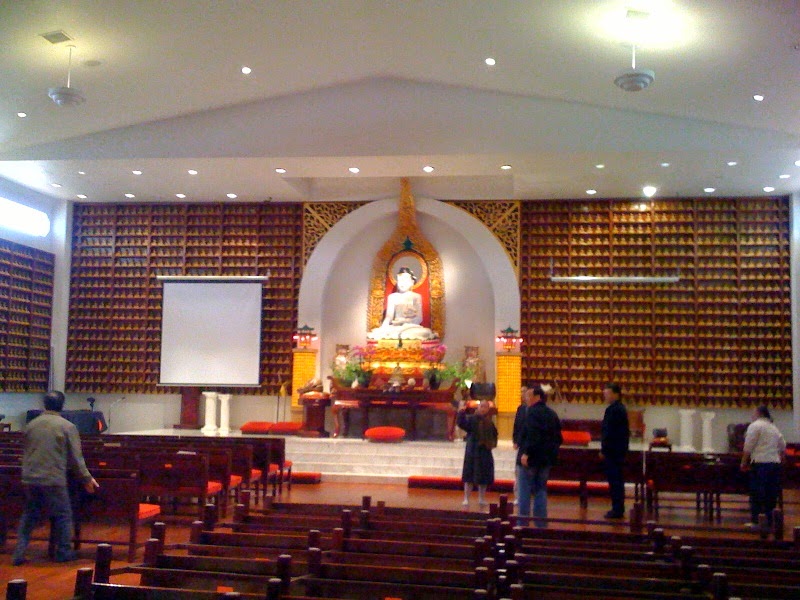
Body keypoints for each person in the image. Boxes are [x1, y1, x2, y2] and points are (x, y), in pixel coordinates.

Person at [12, 391, 99, 565]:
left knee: (29, 515)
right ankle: (63, 552)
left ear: (45, 404)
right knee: (63, 515)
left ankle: (19, 552)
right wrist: (86, 479)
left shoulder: (31, 425)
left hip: (29, 476)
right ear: (62, 405)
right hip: (52, 478)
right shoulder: (67, 427)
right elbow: (76, 458)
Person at [518, 386, 562, 527]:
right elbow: (559, 438)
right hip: (546, 460)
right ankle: (541, 524)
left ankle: (522, 524)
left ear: (537, 397)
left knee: (524, 491)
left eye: (529, 395)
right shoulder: (552, 413)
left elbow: (532, 435)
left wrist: (526, 453)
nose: (526, 398)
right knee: (541, 490)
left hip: (531, 459)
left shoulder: (532, 412)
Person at [740, 405, 786, 527]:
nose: (752, 415)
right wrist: (782, 460)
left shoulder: (755, 426)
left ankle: (756, 520)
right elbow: (782, 445)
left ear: (759, 413)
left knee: (757, 493)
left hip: (760, 464)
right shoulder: (773, 427)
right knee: (771, 494)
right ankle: (770, 520)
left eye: (753, 412)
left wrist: (743, 462)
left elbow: (748, 447)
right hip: (774, 464)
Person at [367, 267, 437, 340]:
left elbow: (419, 318)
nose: (402, 283)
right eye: (400, 281)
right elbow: (389, 317)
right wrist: (384, 326)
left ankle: (399, 335)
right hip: (395, 326)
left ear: (412, 282)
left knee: (425, 332)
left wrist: (405, 321)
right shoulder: (392, 297)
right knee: (378, 332)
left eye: (405, 281)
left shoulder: (416, 297)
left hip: (410, 327)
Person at [457, 399, 497, 507]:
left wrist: (490, 444)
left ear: (488, 409)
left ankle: (481, 498)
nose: (483, 409)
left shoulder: (489, 422)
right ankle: (466, 498)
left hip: (484, 451)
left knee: (483, 476)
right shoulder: (472, 419)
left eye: (485, 407)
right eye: (481, 406)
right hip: (473, 450)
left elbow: (494, 435)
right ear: (478, 408)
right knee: (469, 475)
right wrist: (461, 411)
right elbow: (461, 423)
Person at [600, 383, 629, 519]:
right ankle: (617, 507)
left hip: (613, 452)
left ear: (616, 394)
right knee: (616, 480)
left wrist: (604, 449)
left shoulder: (614, 410)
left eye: (608, 393)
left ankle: (617, 509)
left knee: (615, 481)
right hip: (618, 450)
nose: (606, 396)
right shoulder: (618, 409)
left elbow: (609, 432)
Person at [511, 385, 532, 505]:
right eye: (521, 392)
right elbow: (517, 425)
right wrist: (515, 440)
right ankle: (518, 495)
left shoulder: (533, 409)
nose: (522, 395)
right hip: (521, 443)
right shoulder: (520, 409)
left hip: (528, 444)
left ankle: (527, 495)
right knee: (518, 472)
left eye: (524, 392)